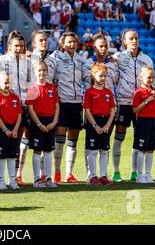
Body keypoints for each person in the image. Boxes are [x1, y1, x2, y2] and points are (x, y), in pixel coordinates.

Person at [112, 29, 153, 182]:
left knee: (138, 138)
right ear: (125, 41)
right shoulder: (118, 58)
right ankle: (116, 172)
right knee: (119, 137)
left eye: (136, 38)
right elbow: (113, 78)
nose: (134, 41)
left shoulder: (147, 59)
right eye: (131, 38)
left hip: (141, 104)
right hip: (123, 103)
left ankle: (135, 172)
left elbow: (151, 81)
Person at [0, 31, 31, 186]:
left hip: (22, 106)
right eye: (16, 46)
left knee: (18, 141)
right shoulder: (0, 61)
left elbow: (31, 81)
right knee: (2, 142)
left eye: (21, 46)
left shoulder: (28, 62)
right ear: (10, 46)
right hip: (4, 107)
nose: (19, 49)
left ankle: (16, 175)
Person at [51, 32, 84, 184]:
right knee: (59, 140)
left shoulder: (80, 60)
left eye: (74, 41)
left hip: (77, 104)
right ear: (62, 44)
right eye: (69, 42)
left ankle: (69, 174)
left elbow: (86, 79)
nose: (72, 44)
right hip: (62, 103)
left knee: (73, 141)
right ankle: (57, 172)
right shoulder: (55, 58)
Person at [26, 60, 59, 188]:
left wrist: (54, 122)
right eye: (39, 70)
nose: (42, 73)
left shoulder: (51, 87)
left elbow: (57, 106)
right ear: (35, 72)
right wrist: (39, 124)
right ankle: (37, 179)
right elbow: (30, 108)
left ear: (47, 71)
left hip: (50, 122)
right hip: (37, 122)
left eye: (44, 70)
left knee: (48, 151)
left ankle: (49, 178)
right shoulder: (33, 88)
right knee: (37, 151)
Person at [83, 63, 115, 185]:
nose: (103, 79)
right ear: (94, 75)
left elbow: (112, 110)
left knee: (104, 150)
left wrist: (107, 125)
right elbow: (87, 110)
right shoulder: (90, 92)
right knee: (92, 150)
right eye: (101, 75)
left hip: (106, 122)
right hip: (93, 123)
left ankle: (103, 175)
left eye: (105, 76)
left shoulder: (108, 92)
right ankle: (92, 176)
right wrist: (95, 126)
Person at [0, 71, 22, 190]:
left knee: (12, 156)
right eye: (5, 83)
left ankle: (12, 181)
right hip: (2, 130)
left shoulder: (15, 98)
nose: (7, 85)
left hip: (14, 130)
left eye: (9, 83)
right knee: (1, 156)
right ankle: (1, 181)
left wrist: (15, 130)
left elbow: (19, 114)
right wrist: (5, 129)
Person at [132, 66, 155, 184]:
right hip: (143, 121)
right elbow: (135, 110)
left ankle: (148, 174)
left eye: (153, 77)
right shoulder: (138, 92)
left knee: (151, 149)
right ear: (141, 77)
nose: (151, 80)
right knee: (142, 149)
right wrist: (147, 100)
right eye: (149, 77)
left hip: (154, 121)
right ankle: (140, 175)